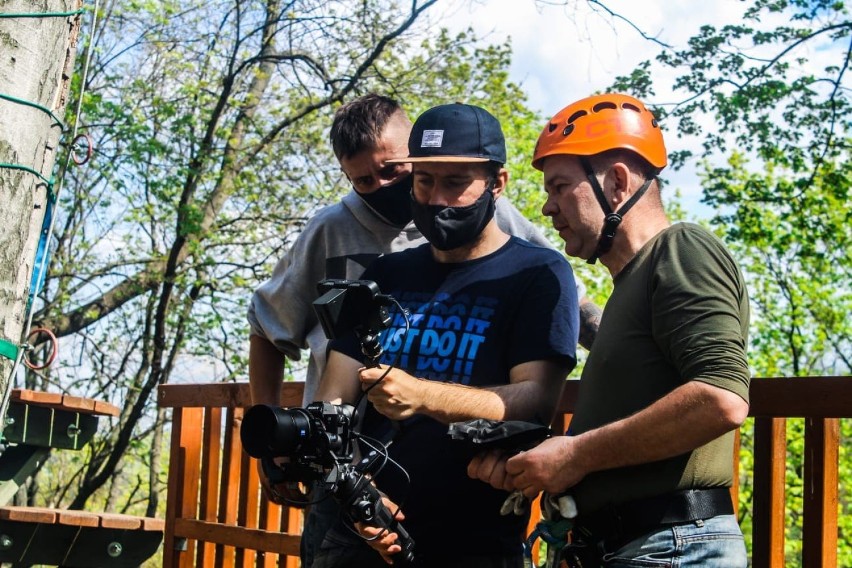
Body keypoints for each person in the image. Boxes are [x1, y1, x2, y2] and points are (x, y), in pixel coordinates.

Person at [246, 94, 601, 566]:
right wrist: (358, 495)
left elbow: (537, 397)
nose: (436, 199)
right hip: (358, 527)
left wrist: (424, 396)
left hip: (474, 531)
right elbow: (331, 397)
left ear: (498, 184)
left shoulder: (536, 269)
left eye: (454, 183)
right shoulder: (381, 272)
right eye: (425, 180)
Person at [468, 93, 751, 567]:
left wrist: (575, 455)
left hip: (673, 548)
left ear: (617, 182)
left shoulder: (681, 249)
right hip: (636, 546)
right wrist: (542, 462)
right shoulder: (629, 287)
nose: (547, 208)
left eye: (560, 187)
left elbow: (721, 397)